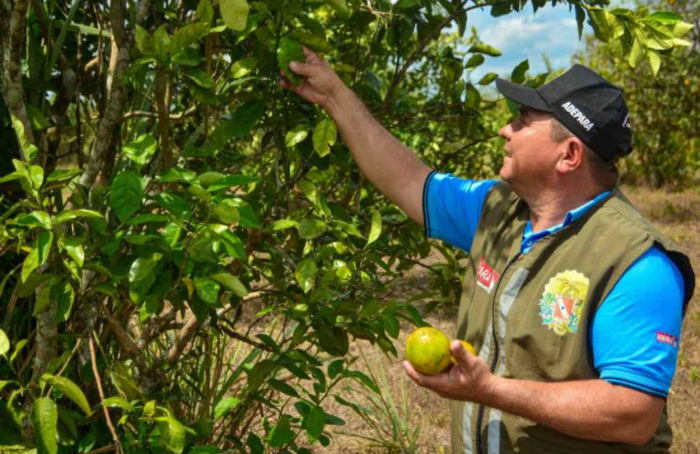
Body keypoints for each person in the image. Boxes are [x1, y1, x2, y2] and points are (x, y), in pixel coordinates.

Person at [281, 51, 695, 453]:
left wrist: (491, 391)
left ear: (568, 154)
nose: (505, 130)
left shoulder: (637, 264)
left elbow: (633, 414)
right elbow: (408, 179)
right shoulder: (498, 211)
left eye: (523, 121)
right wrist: (334, 95)